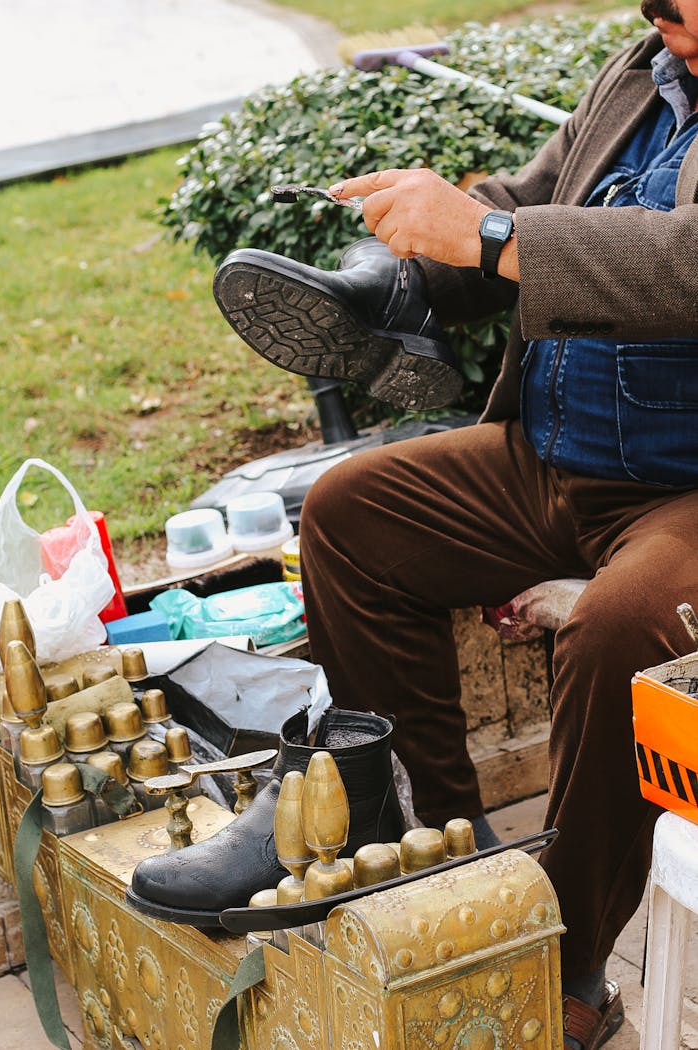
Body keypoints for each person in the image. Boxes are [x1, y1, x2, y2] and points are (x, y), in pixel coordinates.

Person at [196, 4, 697, 1047]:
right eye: (656, 9)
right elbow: (530, 200)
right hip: (558, 455)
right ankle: (427, 843)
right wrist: (415, 258)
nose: (668, 29)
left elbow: (683, 264)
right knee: (349, 514)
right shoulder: (647, 70)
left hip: (685, 495)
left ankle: (558, 958)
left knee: (620, 628)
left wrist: (493, 236)